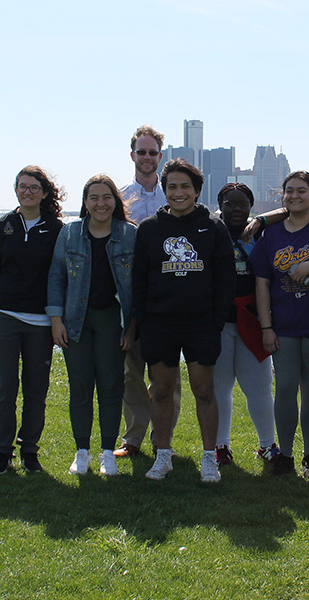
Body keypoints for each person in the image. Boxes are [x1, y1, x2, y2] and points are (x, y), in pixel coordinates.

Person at [134, 159, 236, 483]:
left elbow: (225, 278)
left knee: (204, 390)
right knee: (161, 390)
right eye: (172, 187)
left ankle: (210, 459)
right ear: (164, 191)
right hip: (160, 324)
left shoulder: (213, 227)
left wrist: (216, 319)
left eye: (185, 187)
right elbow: (139, 280)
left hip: (201, 324)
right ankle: (162, 455)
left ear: (196, 191)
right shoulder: (150, 228)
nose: (179, 193)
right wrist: (143, 321)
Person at [250, 171, 309, 478]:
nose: (294, 196)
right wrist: (266, 327)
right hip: (283, 325)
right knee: (286, 386)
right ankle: (286, 455)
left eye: (301, 191)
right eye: (289, 191)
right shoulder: (271, 235)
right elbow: (262, 285)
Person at [47, 175, 137, 477]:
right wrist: (56, 320)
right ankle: (82, 452)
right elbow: (57, 278)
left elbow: (140, 286)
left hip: (114, 321)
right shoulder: (70, 234)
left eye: (107, 197)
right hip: (76, 322)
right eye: (94, 198)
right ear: (85, 203)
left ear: (115, 201)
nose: (101, 203)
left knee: (112, 387)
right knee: (81, 388)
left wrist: (132, 326)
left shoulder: (129, 235)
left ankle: (108, 452)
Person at [0, 166, 65, 475]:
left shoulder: (57, 229)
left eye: (34, 187)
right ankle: (2, 452)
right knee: (5, 388)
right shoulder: (0, 227)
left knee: (36, 391)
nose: (27, 191)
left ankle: (29, 450)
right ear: (15, 190)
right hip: (4, 315)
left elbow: (60, 276)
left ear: (44, 193)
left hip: (41, 321)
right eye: (22, 186)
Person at [114, 125, 182, 459]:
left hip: (166, 299)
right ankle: (133, 439)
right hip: (128, 299)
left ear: (160, 156)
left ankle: (162, 439)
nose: (146, 157)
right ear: (132, 155)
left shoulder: (173, 195)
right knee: (131, 376)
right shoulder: (119, 196)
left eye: (152, 152)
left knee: (166, 376)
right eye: (141, 152)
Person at [213, 183, 277, 465]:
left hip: (253, 320)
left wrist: (262, 219)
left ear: (252, 207)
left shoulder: (262, 233)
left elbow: (292, 210)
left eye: (243, 204)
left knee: (260, 388)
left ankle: (267, 444)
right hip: (219, 322)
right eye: (230, 203)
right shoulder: (210, 231)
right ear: (220, 205)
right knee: (220, 388)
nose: (237, 209)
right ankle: (220, 445)